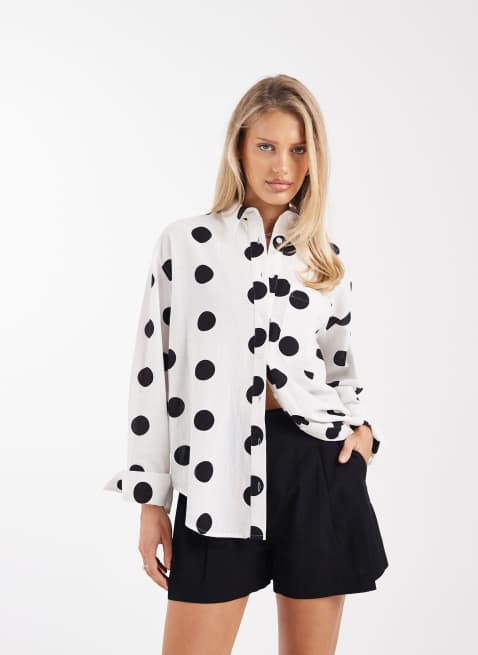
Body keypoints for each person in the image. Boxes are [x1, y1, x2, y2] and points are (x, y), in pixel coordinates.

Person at [104, 73, 389, 655]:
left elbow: (340, 366)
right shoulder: (186, 244)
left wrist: (361, 431)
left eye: (299, 149)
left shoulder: (324, 259)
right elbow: (151, 376)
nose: (283, 166)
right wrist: (151, 501)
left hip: (315, 469)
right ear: (239, 147)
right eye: (266, 146)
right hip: (214, 473)